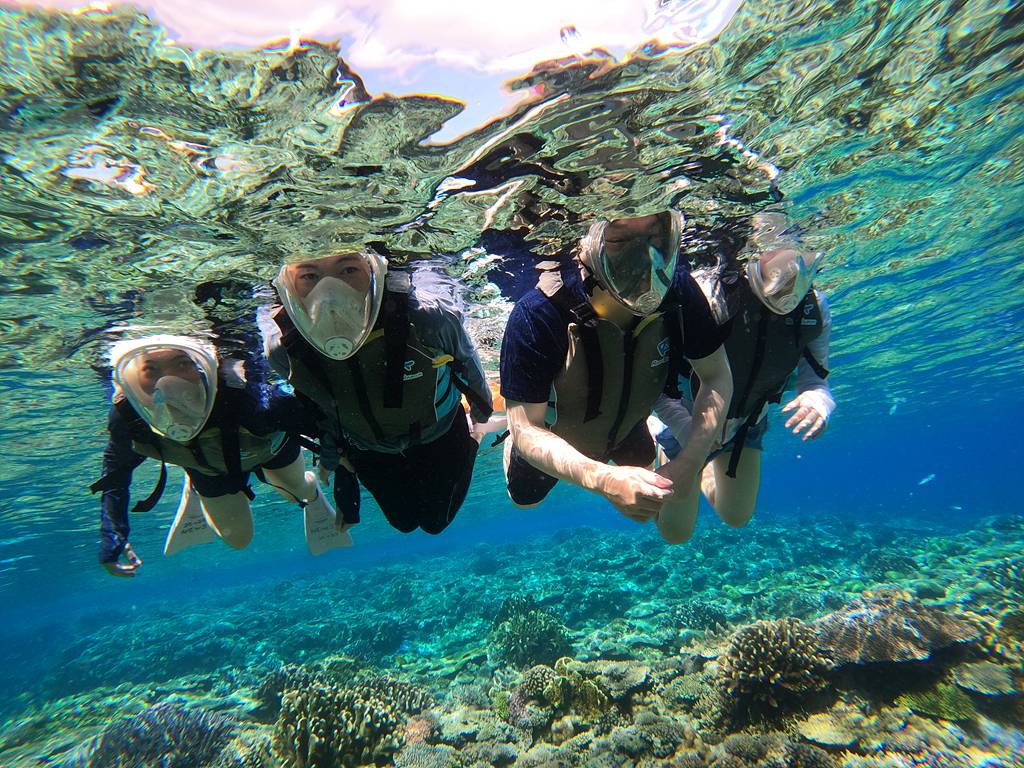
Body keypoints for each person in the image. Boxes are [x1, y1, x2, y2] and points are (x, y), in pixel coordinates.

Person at [498, 210, 733, 544]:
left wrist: (689, 462)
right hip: (554, 430)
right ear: (586, 246)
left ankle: (644, 425)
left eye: (655, 238)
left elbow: (717, 376)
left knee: (645, 473)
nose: (644, 261)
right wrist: (604, 479)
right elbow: (526, 429)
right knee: (526, 499)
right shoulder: (538, 312)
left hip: (626, 422)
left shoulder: (679, 291)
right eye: (620, 241)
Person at [263, 250, 494, 536]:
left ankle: (475, 435)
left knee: (436, 522)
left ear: (376, 272)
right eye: (309, 276)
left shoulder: (429, 318)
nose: (331, 292)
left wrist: (482, 412)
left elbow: (468, 363)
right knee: (403, 523)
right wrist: (334, 458)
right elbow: (318, 406)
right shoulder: (282, 350)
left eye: (348, 270)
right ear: (287, 287)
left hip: (440, 433)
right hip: (369, 448)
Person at [91, 334, 345, 577]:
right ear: (132, 378)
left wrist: (334, 466)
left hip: (271, 449)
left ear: (205, 368)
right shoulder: (129, 418)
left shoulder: (250, 400)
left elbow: (325, 427)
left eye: (182, 363)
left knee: (298, 491)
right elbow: (116, 477)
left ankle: (311, 491)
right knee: (238, 539)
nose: (168, 383)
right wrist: (113, 535)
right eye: (151, 369)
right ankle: (194, 484)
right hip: (205, 467)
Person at [653, 211, 834, 528]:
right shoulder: (709, 293)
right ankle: (656, 439)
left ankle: (706, 467)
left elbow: (816, 382)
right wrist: (689, 434)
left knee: (736, 516)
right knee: (675, 531)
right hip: (687, 416)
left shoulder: (815, 308)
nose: (789, 289)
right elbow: (656, 382)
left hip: (746, 421)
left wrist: (818, 401)